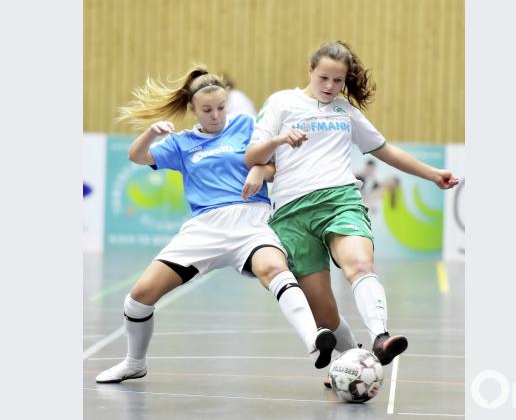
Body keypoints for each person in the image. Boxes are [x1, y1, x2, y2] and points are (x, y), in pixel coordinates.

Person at [95, 66, 336, 383]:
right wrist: (152, 133)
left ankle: (314, 342)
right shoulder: (181, 144)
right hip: (204, 229)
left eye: (221, 108)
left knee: (275, 270)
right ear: (193, 109)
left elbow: (274, 166)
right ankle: (134, 362)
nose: (215, 115)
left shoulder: (246, 126)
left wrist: (260, 171)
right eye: (207, 110)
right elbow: (136, 157)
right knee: (138, 298)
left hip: (250, 221)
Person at [244, 41, 459, 383]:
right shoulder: (282, 103)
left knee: (359, 264)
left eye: (338, 81)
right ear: (309, 71)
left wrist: (432, 175)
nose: (330, 87)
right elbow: (252, 155)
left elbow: (384, 150)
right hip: (291, 213)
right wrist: (280, 142)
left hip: (339, 199)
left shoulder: (347, 112)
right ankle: (348, 364)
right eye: (324, 78)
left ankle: (381, 337)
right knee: (324, 313)